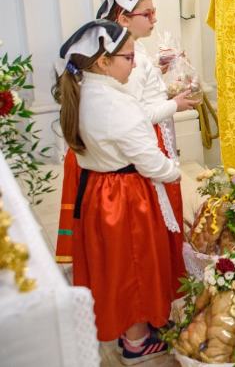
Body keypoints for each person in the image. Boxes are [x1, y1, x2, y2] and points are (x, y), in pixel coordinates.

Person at [54, 20, 181, 361]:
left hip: (97, 188)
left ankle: (131, 329)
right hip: (124, 193)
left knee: (115, 264)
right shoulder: (114, 104)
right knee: (133, 263)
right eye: (127, 57)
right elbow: (149, 160)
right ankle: (137, 341)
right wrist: (173, 171)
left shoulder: (85, 92)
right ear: (103, 62)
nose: (135, 62)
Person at [96, 0, 198, 294]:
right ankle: (161, 284)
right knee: (155, 215)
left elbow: (141, 90)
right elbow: (135, 113)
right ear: (124, 18)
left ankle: (167, 277)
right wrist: (174, 105)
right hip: (146, 140)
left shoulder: (134, 50)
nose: (154, 19)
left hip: (156, 135)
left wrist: (159, 68)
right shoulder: (127, 58)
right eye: (148, 13)